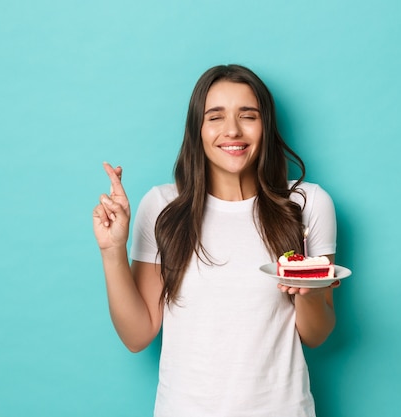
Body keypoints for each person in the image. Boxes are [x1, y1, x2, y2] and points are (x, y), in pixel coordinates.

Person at [92, 64, 340, 417]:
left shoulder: (308, 204)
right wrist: (112, 250)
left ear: (265, 126)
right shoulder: (163, 206)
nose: (233, 131)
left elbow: (317, 334)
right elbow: (137, 335)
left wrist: (308, 291)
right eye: (216, 117)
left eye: (248, 116)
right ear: (198, 129)